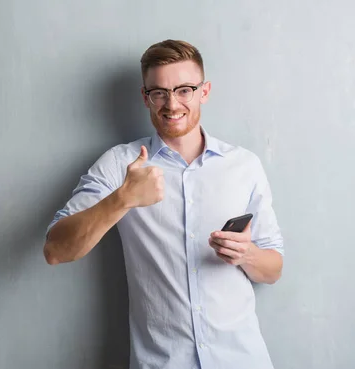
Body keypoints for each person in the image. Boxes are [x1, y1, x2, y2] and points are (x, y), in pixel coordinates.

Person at [43, 39, 284, 369]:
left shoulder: (244, 165)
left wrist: (248, 254)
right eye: (159, 92)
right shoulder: (120, 164)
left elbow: (274, 268)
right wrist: (122, 199)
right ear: (146, 97)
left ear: (205, 91)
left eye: (184, 89)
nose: (172, 104)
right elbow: (56, 250)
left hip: (243, 360)